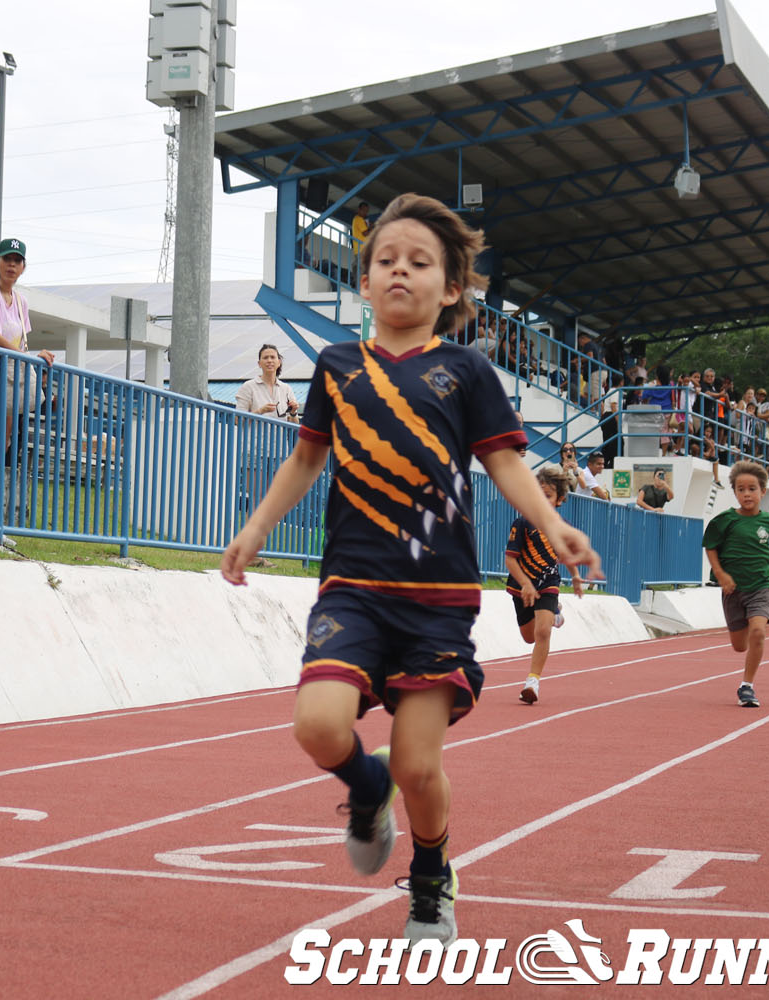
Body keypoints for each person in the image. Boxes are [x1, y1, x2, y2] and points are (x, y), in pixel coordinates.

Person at [218, 193, 600, 945]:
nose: (400, 272)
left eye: (419, 262)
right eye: (385, 261)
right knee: (318, 726)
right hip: (353, 587)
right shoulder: (335, 367)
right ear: (364, 282)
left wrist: (552, 523)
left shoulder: (466, 371)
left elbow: (503, 461)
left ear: (451, 287)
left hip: (438, 598)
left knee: (421, 769)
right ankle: (366, 790)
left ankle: (431, 877)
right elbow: (305, 459)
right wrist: (257, 526)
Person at [0, 238, 55, 532]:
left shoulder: (21, 301)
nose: (11, 265)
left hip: (9, 377)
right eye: (6, 259)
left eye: (17, 260)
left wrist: (30, 356)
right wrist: (28, 356)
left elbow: (19, 339)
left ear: (23, 267)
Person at [703, 461, 769, 708]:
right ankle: (745, 639)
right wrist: (721, 574)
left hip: (759, 587)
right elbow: (710, 547)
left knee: (759, 632)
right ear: (735, 492)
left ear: (763, 492)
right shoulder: (724, 520)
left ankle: (747, 686)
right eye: (741, 489)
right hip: (732, 590)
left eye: (752, 489)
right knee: (739, 646)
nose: (747, 494)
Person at [506, 464, 585, 705]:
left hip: (548, 581)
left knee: (543, 632)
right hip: (522, 584)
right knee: (529, 637)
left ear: (559, 499)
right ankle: (555, 613)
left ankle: (532, 681)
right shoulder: (522, 523)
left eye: (548, 495)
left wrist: (575, 576)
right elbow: (510, 559)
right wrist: (525, 584)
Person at [234, 343, 299, 423]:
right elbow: (237, 420)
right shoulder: (248, 386)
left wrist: (293, 413)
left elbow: (295, 425)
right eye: (265, 358)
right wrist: (261, 411)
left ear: (279, 362)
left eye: (272, 357)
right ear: (259, 364)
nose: (269, 360)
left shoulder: (286, 389)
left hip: (279, 435)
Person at [351, 200, 371, 272]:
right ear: (359, 209)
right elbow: (365, 233)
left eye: (367, 211)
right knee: (362, 271)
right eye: (364, 210)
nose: (365, 213)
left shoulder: (359, 220)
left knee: (360, 269)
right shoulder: (358, 219)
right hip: (361, 249)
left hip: (360, 249)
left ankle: (354, 267)